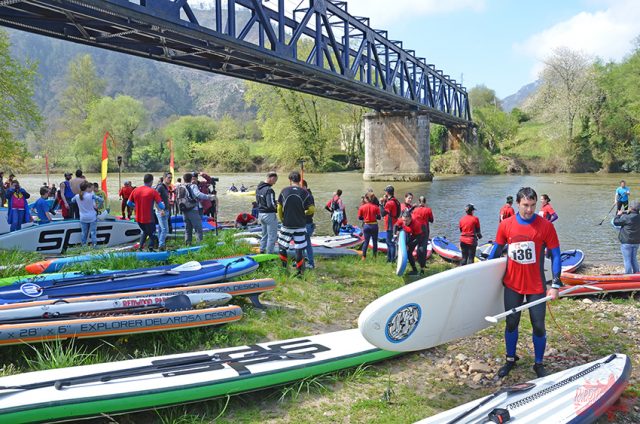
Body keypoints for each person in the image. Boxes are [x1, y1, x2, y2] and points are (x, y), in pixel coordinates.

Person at [488, 187, 562, 378]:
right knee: (512, 323)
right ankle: (510, 359)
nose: (529, 210)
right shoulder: (506, 225)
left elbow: (555, 254)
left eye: (532, 205)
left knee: (538, 326)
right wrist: (481, 276)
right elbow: (496, 251)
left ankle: (538, 363)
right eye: (525, 205)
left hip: (536, 286)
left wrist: (555, 284)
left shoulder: (545, 226)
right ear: (518, 204)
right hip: (512, 285)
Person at [277, 171, 314, 276]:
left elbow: (279, 207)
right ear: (300, 180)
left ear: (290, 180)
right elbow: (311, 209)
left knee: (282, 246)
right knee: (299, 247)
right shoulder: (305, 193)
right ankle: (300, 272)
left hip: (287, 224)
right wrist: (303, 213)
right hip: (300, 225)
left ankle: (284, 270)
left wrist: (282, 218)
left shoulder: (284, 191)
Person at [128, 174, 165, 251]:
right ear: (151, 181)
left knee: (145, 231)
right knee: (152, 233)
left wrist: (136, 206)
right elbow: (161, 206)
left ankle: (140, 248)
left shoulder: (135, 190)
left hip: (138, 218)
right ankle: (151, 249)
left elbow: (128, 203)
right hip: (149, 218)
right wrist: (164, 206)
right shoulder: (153, 191)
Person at [177, 172, 215, 245]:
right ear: (191, 179)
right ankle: (199, 245)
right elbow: (198, 194)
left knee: (188, 229)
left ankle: (188, 244)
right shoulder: (193, 186)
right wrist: (209, 197)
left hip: (184, 209)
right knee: (198, 228)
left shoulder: (180, 186)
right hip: (193, 209)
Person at [613, 201, 640, 274]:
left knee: (627, 260)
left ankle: (628, 276)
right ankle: (637, 274)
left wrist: (618, 215)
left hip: (626, 242)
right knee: (634, 259)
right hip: (636, 242)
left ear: (631, 208)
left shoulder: (626, 217)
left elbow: (615, 222)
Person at [398, 209, 427, 275]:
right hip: (414, 232)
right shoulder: (403, 220)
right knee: (408, 252)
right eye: (403, 220)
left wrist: (409, 245)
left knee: (421, 250)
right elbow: (396, 225)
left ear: (410, 219)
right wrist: (395, 233)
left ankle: (422, 269)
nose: (405, 223)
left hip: (422, 232)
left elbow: (418, 238)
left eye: (406, 221)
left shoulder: (416, 223)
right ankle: (415, 270)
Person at [256, 172, 278, 254]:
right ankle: (269, 255)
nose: (275, 183)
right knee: (272, 236)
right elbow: (270, 204)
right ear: (271, 178)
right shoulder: (269, 190)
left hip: (261, 214)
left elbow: (258, 202)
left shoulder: (258, 188)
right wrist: (277, 207)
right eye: (275, 180)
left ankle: (262, 250)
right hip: (269, 215)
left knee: (264, 235)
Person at [72, 181, 98, 247]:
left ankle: (83, 246)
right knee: (93, 232)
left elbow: (72, 201)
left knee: (84, 233)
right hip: (92, 217)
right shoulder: (91, 195)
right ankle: (94, 245)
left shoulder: (77, 196)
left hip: (83, 217)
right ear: (87, 188)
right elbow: (99, 201)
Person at [380, 185, 401, 263]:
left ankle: (391, 260)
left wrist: (381, 203)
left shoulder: (390, 203)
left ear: (387, 192)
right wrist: (385, 200)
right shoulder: (395, 200)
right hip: (394, 222)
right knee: (390, 242)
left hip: (390, 224)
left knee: (390, 242)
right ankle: (389, 258)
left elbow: (382, 213)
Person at [358, 192, 381, 260]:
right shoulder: (376, 207)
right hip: (374, 226)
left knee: (366, 241)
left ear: (366, 198)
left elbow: (359, 218)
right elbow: (379, 217)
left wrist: (365, 218)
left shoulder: (362, 207)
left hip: (366, 225)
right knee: (374, 241)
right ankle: (374, 257)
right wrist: (374, 216)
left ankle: (364, 257)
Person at [412, 196, 434, 266]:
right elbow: (431, 220)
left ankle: (418, 260)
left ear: (419, 202)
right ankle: (422, 263)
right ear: (425, 202)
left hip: (416, 228)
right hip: (425, 228)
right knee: (424, 246)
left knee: (418, 244)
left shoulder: (415, 210)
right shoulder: (428, 210)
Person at [155, 172, 173, 250]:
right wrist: (160, 210)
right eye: (169, 177)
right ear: (164, 178)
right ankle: (161, 245)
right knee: (165, 229)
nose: (170, 179)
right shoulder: (160, 187)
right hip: (161, 211)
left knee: (161, 229)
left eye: (171, 178)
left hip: (166, 210)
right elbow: (155, 199)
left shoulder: (166, 187)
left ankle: (160, 244)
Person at [301, 180, 316, 269]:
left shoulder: (308, 196)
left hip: (307, 223)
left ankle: (310, 263)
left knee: (306, 244)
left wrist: (301, 212)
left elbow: (312, 210)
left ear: (305, 187)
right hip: (302, 223)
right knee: (301, 243)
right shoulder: (302, 195)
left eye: (301, 186)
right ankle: (302, 261)